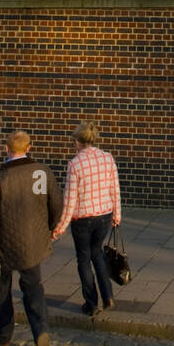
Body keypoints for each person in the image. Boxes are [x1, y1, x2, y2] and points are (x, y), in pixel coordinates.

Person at [0, 129, 62, 346]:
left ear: (6, 149)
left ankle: (3, 334)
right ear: (29, 147)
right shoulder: (42, 172)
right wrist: (50, 228)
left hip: (3, 246)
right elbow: (56, 204)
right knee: (34, 290)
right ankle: (40, 333)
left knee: (2, 290)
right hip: (33, 245)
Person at [52, 121, 122, 316]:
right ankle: (108, 295)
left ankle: (91, 304)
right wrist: (117, 214)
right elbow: (114, 189)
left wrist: (59, 228)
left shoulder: (75, 164)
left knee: (83, 259)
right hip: (104, 216)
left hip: (82, 219)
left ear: (77, 141)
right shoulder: (108, 158)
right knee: (97, 253)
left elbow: (70, 200)